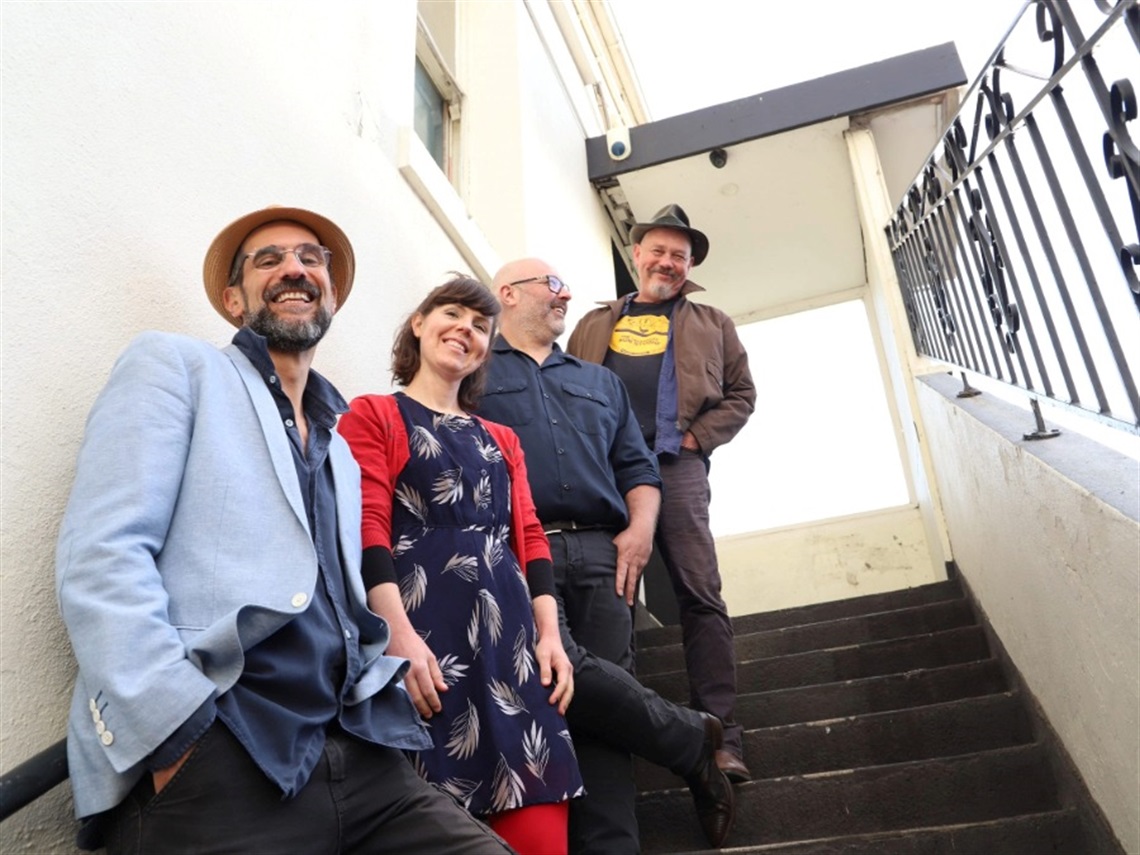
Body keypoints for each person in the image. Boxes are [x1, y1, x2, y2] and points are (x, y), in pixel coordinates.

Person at [55, 206, 513, 855]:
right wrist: (172, 729)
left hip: (364, 756)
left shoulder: (343, 441)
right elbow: (101, 553)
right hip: (224, 752)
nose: (294, 268)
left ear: (329, 293)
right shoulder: (177, 368)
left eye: (311, 258)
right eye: (268, 258)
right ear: (232, 297)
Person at [478, 257, 736, 853]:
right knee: (561, 681)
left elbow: (638, 469)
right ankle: (691, 740)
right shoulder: (476, 372)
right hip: (519, 552)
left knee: (605, 714)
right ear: (508, 295)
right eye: (553, 285)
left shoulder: (600, 382)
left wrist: (641, 531)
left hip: (603, 552)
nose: (566, 296)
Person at [336, 275, 584, 855]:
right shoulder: (373, 415)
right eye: (452, 314)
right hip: (425, 645)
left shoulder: (503, 438)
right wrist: (396, 635)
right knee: (435, 819)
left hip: (515, 646)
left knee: (541, 824)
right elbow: (366, 527)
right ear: (418, 325)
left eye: (480, 326)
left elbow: (529, 537)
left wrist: (551, 637)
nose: (466, 331)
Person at [567, 204, 757, 782]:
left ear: (690, 263)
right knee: (607, 597)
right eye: (658, 251)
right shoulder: (594, 323)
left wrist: (697, 440)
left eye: (679, 254)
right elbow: (566, 388)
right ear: (637, 255)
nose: (667, 262)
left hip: (675, 466)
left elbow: (742, 394)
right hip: (601, 472)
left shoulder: (712, 321)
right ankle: (620, 730)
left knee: (700, 593)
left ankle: (723, 737)